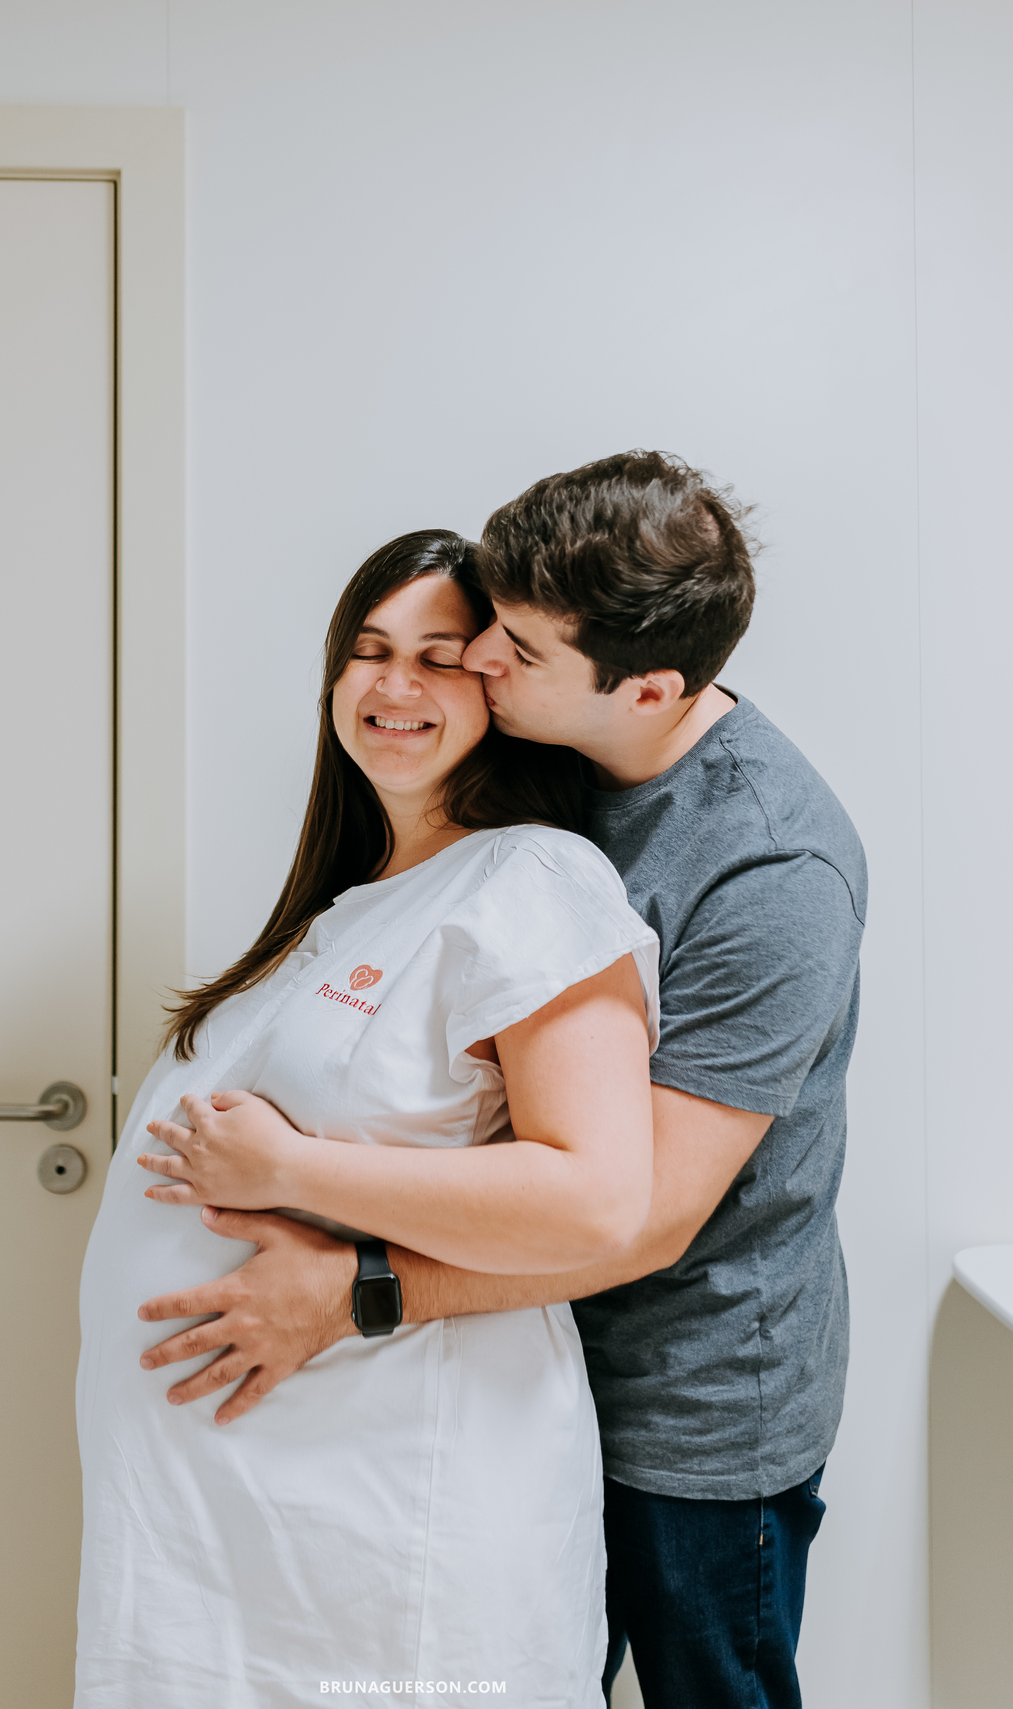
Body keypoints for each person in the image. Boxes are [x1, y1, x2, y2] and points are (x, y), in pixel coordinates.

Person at [138, 453, 867, 1709]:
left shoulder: (771, 872)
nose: (477, 666)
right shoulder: (558, 756)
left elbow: (641, 1216)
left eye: (513, 652)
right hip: (522, 1362)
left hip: (692, 1413)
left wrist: (352, 1296)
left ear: (646, 688)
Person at [74, 530, 661, 1707]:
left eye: (439, 658)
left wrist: (296, 1167)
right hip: (238, 1524)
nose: (393, 687)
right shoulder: (354, 902)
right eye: (368, 650)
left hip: (384, 1518)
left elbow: (595, 1200)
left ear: (498, 684)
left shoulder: (531, 881)